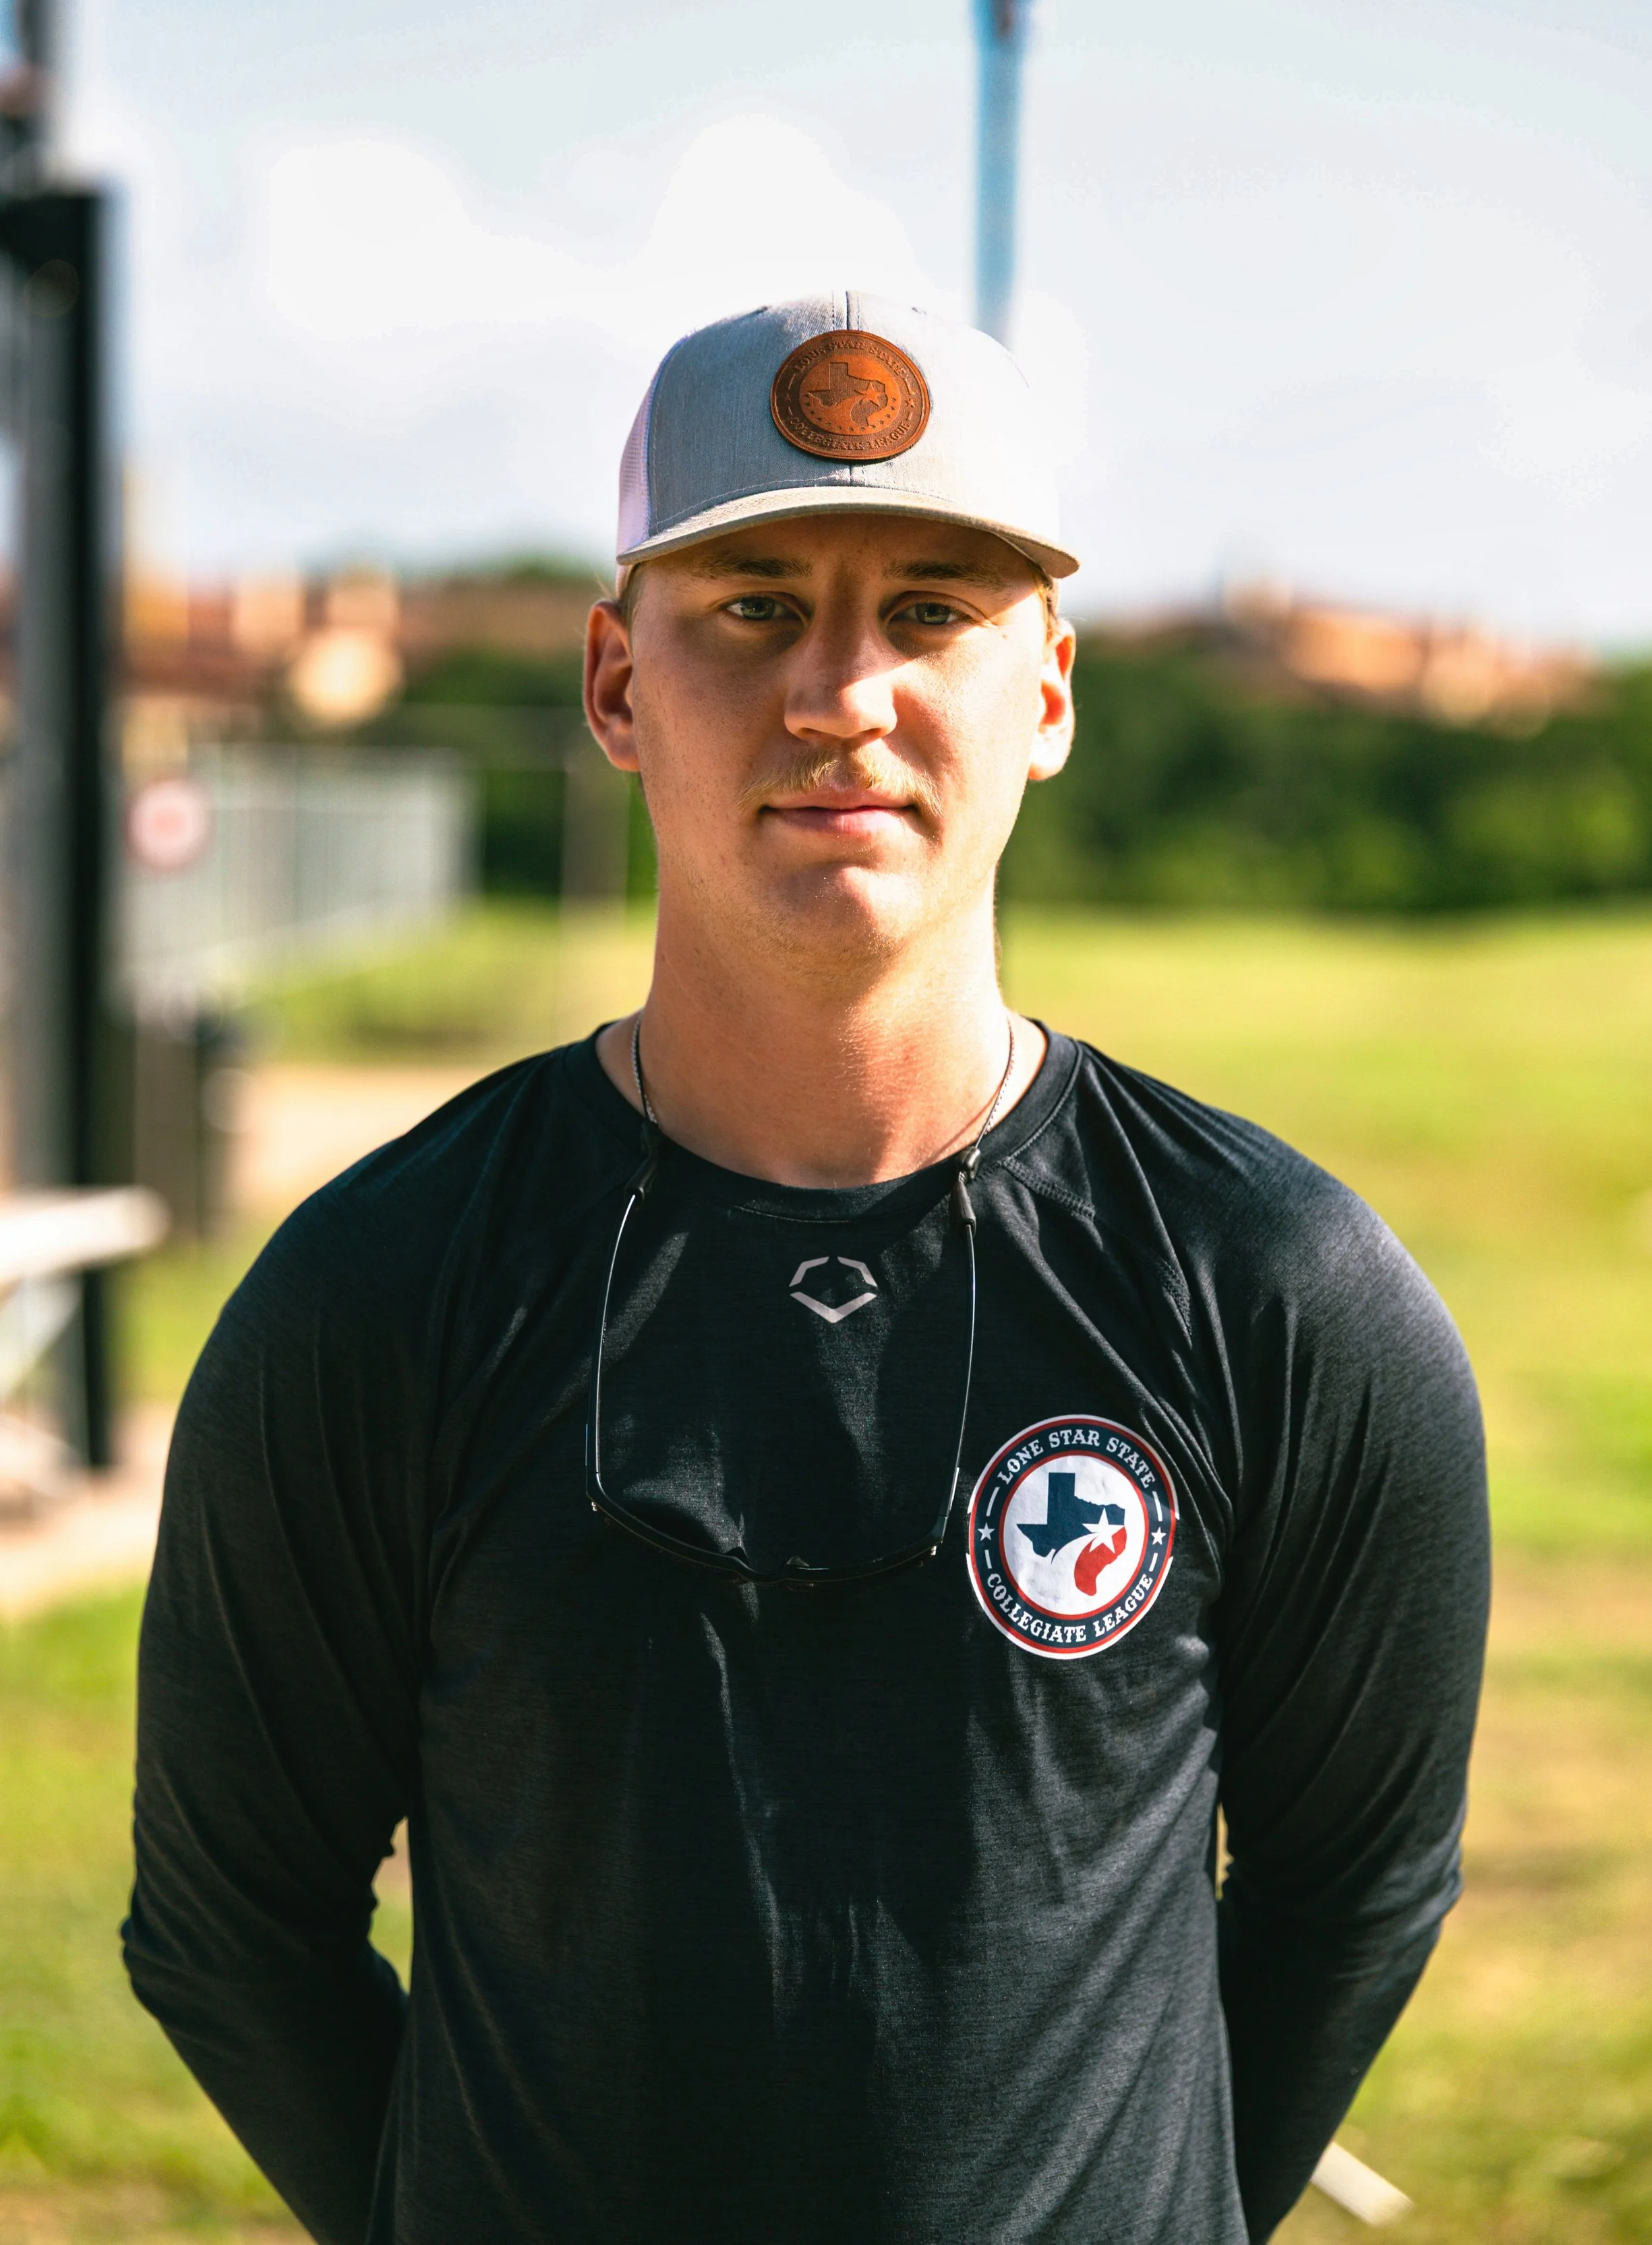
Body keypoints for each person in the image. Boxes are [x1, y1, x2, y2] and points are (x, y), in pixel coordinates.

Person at [125, 295, 1488, 2245]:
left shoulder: (1273, 1286)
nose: (840, 692)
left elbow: (1349, 1893)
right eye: (752, 606)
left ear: (1049, 692)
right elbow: (228, 1925)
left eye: (932, 610)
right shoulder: (387, 1285)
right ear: (614, 680)